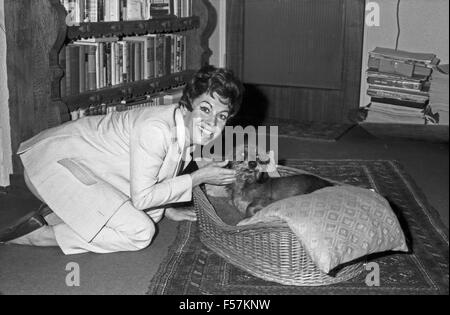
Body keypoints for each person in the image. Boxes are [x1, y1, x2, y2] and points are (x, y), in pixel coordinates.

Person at [1, 65, 244, 255]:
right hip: (51, 164)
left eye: (222, 116)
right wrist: (196, 177)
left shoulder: (179, 123)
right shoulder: (156, 129)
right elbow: (142, 198)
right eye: (206, 109)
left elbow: (159, 172)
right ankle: (41, 235)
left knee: (151, 216)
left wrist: (167, 209)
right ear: (189, 102)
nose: (213, 123)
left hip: (78, 167)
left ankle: (62, 212)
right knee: (140, 232)